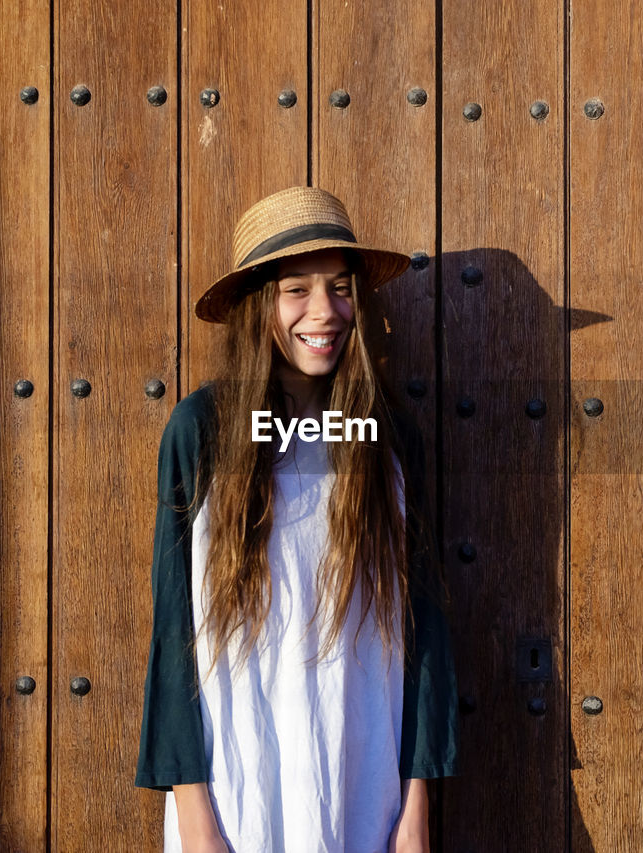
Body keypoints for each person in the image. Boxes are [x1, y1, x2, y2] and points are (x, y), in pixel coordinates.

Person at [135, 186, 460, 853]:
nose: (326, 311)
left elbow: (422, 630)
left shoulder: (386, 436)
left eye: (341, 287)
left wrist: (416, 804)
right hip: (238, 788)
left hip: (362, 785)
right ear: (259, 306)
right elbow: (174, 631)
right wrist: (193, 812)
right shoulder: (203, 432)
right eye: (296, 291)